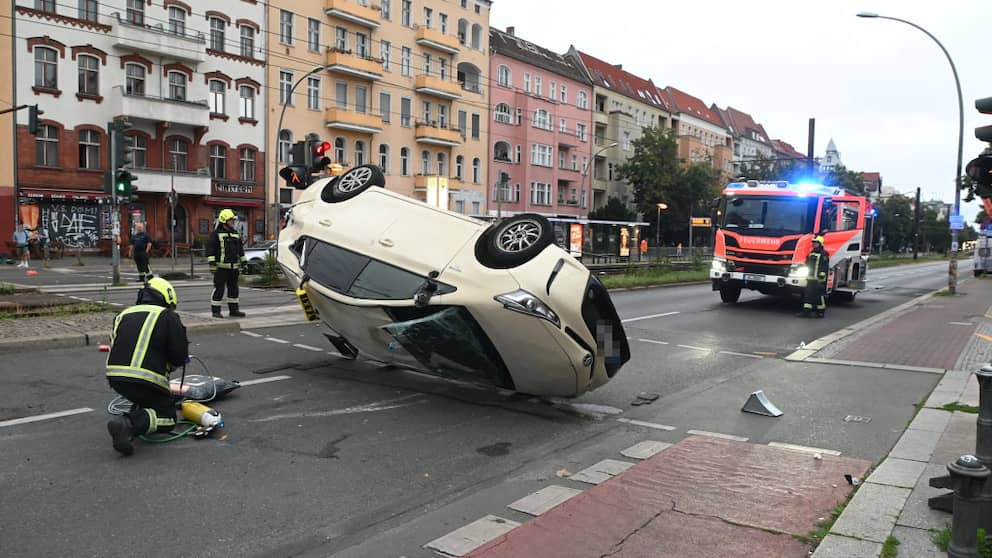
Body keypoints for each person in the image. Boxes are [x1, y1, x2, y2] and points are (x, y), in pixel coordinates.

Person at [105, 277, 189, 456]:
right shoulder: (167, 316)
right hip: (146, 380)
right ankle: (128, 424)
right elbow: (178, 356)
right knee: (167, 418)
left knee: (146, 399)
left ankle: (137, 414)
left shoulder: (122, 315)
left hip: (116, 378)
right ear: (167, 298)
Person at [206, 208, 248, 318]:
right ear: (224, 220)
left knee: (234, 290)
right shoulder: (216, 234)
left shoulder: (235, 234)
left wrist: (244, 262)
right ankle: (216, 311)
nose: (233, 222)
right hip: (221, 268)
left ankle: (234, 310)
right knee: (219, 289)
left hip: (234, 268)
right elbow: (210, 249)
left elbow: (240, 250)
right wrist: (212, 264)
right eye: (231, 220)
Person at [797, 236, 829, 318]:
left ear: (820, 244)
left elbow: (824, 265)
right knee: (808, 295)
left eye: (816, 243)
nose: (814, 244)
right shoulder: (811, 253)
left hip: (819, 279)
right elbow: (807, 264)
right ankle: (806, 311)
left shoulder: (824, 254)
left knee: (818, 295)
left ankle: (820, 312)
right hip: (810, 278)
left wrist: (822, 275)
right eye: (813, 243)